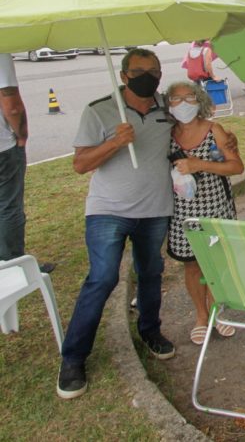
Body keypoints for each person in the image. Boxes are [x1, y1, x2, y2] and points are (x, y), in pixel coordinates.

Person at [58, 48, 177, 399]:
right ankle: (74, 357)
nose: (149, 76)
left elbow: (194, 127)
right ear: (124, 75)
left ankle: (150, 330)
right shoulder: (99, 110)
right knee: (103, 277)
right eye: (140, 71)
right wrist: (115, 142)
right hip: (108, 210)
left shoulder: (167, 109)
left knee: (151, 271)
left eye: (154, 70)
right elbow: (80, 164)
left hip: (155, 209)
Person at [165, 81, 243, 345]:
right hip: (182, 212)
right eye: (176, 99)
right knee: (192, 263)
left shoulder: (215, 131)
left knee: (216, 262)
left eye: (189, 97)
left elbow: (236, 167)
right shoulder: (166, 134)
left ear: (199, 100)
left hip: (215, 207)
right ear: (168, 104)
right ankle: (201, 315)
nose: (183, 104)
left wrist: (200, 164)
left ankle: (217, 309)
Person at [0, 54, 56, 274]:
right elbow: (11, 104)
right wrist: (21, 135)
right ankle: (13, 265)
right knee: (8, 206)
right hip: (3, 148)